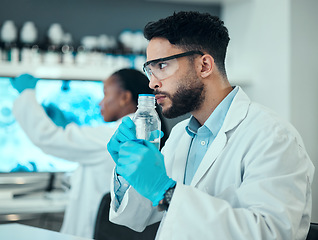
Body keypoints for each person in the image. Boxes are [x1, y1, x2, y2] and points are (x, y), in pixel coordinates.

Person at [107, 11, 315, 240]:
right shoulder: (180, 135)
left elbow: (271, 233)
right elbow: (137, 218)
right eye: (150, 69)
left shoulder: (273, 137)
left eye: (162, 66)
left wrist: (167, 192)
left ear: (204, 65)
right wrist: (127, 172)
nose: (152, 82)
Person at [10, 69, 168, 238]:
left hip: (91, 231)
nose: (101, 102)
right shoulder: (139, 130)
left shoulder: (115, 134)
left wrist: (26, 94)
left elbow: (49, 137)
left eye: (106, 94)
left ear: (124, 98)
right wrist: (64, 124)